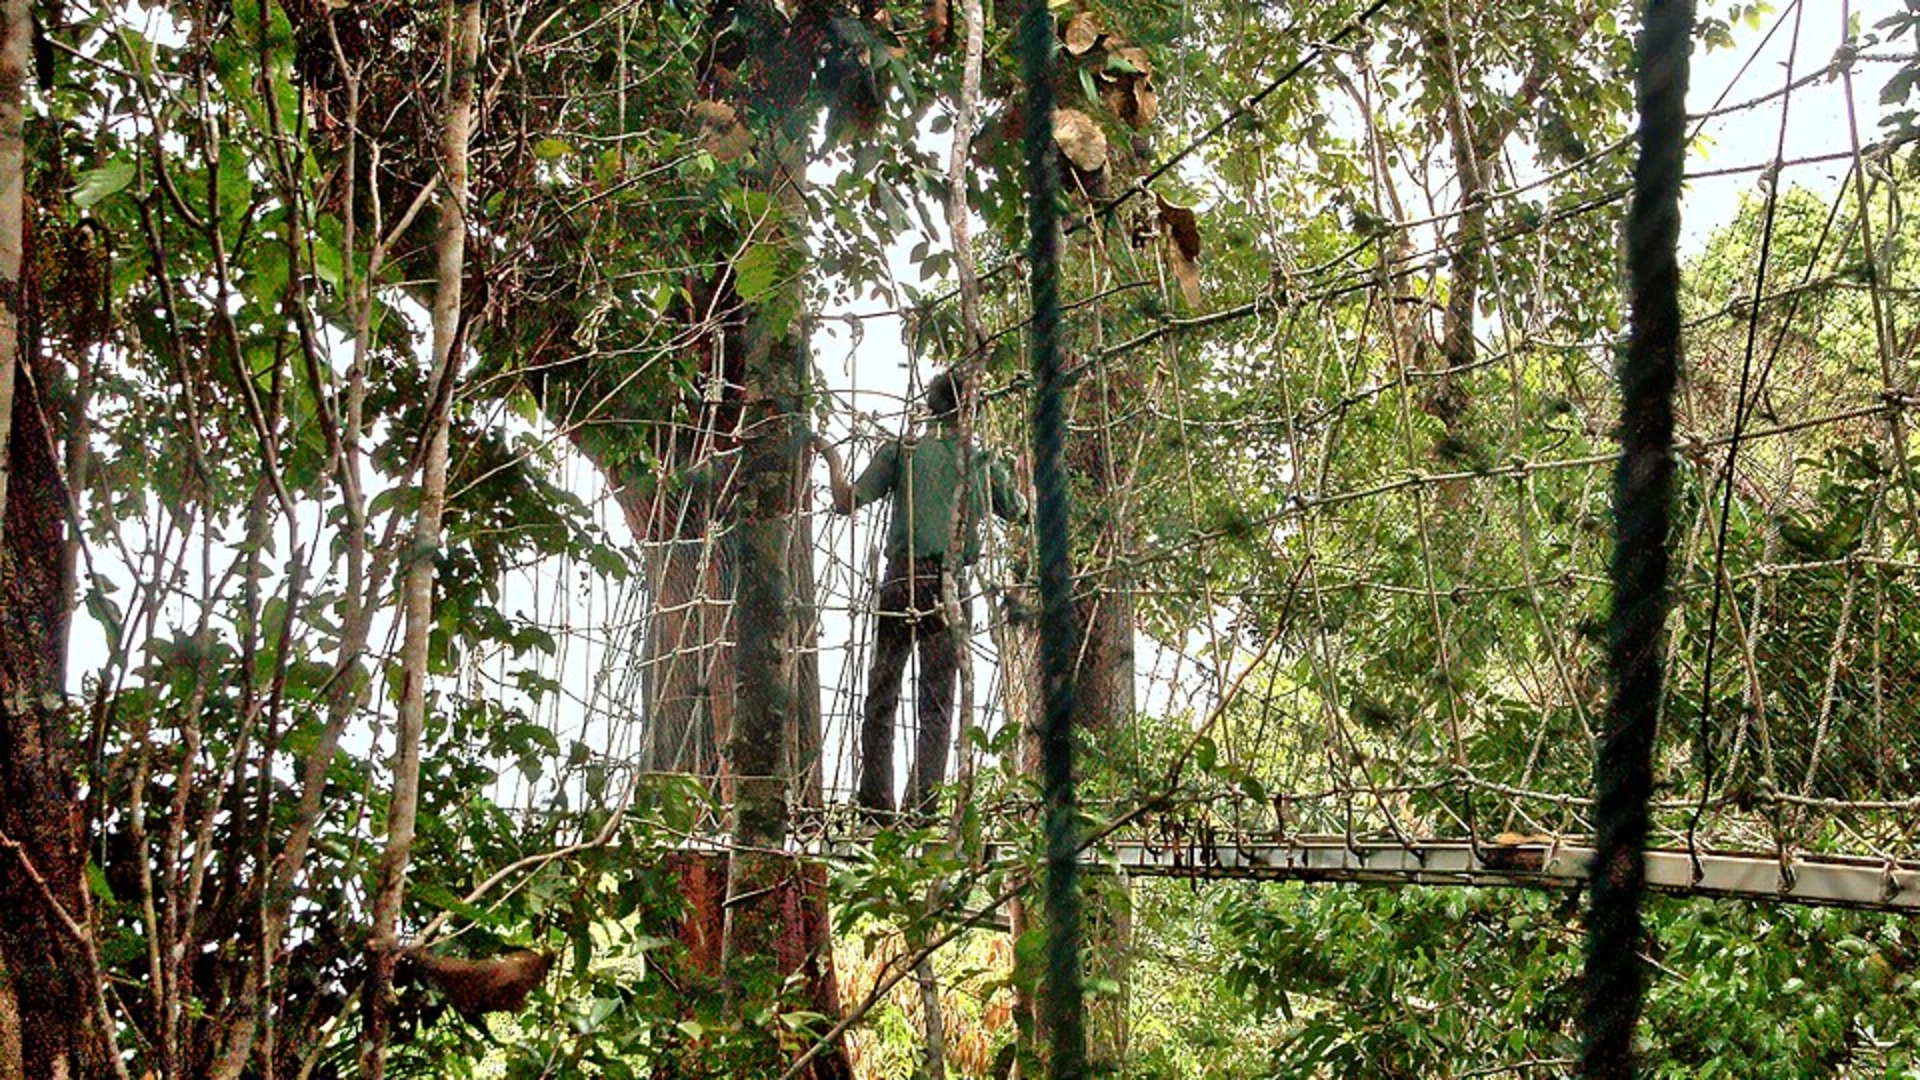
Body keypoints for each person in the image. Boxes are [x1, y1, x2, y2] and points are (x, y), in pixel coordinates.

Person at [817, 370, 1026, 817]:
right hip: (948, 586)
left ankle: (876, 805)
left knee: (882, 691)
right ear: (969, 410)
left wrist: (830, 456)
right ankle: (924, 807)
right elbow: (1019, 511)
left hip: (900, 579)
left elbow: (845, 500)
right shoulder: (980, 461)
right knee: (936, 701)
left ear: (929, 408)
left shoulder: (901, 450)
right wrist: (1006, 464)